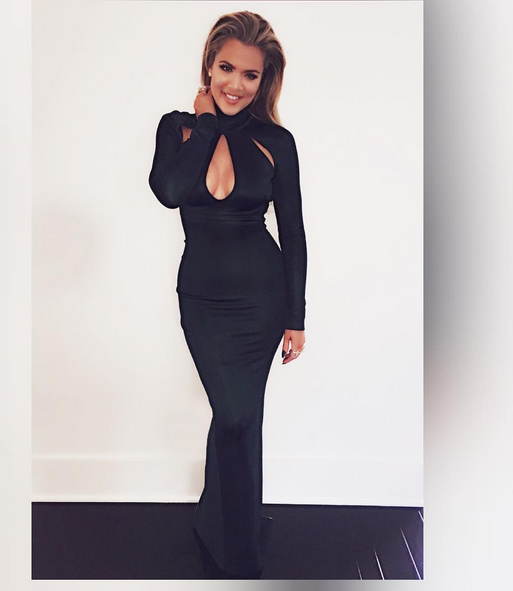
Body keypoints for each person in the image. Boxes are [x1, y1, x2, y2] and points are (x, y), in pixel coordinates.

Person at [148, 10, 307, 579]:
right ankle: (220, 525)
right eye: (226, 69)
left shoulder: (277, 142)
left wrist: (296, 316)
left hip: (261, 301)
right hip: (203, 302)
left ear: (265, 81)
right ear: (209, 67)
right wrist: (207, 123)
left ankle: (235, 546)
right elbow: (170, 190)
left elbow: (293, 232)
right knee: (233, 414)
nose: (235, 84)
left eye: (250, 75)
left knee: (240, 417)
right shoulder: (178, 129)